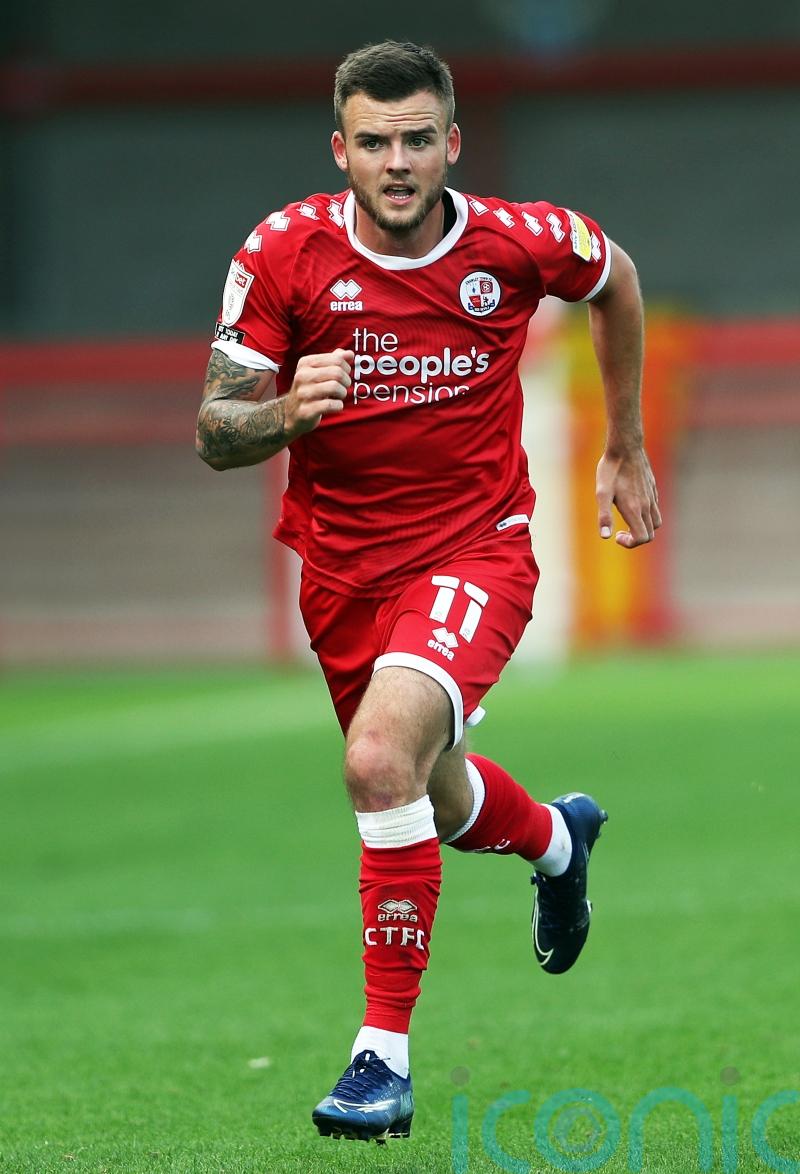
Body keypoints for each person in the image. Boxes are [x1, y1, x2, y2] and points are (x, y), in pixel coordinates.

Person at [196, 39, 660, 1145]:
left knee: (374, 761)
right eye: (374, 142)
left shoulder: (517, 240)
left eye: (416, 140)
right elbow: (216, 429)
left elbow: (615, 277)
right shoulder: (281, 252)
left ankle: (381, 1060)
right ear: (340, 150)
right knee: (431, 798)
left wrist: (624, 445)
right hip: (342, 575)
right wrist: (286, 413)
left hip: (476, 553)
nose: (396, 162)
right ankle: (556, 842)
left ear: (453, 142)